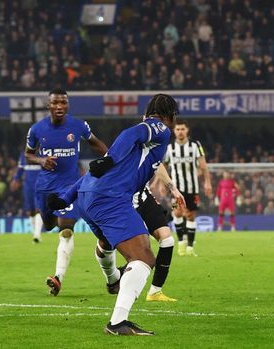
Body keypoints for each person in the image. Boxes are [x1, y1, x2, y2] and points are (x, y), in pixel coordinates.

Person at [53, 94, 184, 335]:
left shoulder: (130, 152)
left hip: (86, 196)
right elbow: (130, 134)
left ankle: (113, 280)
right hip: (110, 199)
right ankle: (117, 323)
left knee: (107, 244)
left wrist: (64, 198)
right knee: (143, 258)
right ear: (170, 116)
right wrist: (111, 157)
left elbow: (98, 169)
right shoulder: (160, 128)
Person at [25, 88, 108, 295]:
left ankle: (58, 277)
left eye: (63, 103)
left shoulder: (78, 125)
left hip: (69, 187)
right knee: (50, 224)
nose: (60, 107)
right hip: (45, 188)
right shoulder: (36, 130)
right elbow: (28, 155)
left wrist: (113, 160)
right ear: (48, 105)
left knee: (66, 228)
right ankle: (48, 222)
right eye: (55, 103)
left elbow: (96, 144)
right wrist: (40, 159)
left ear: (67, 105)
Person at [164, 120, 212, 256]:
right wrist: (160, 183)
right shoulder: (169, 148)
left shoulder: (195, 145)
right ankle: (181, 243)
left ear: (187, 130)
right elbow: (164, 166)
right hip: (176, 188)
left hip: (192, 188)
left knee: (191, 215)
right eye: (178, 129)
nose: (180, 131)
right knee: (177, 212)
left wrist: (207, 182)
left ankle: (190, 247)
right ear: (174, 131)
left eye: (182, 129)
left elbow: (203, 166)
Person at [10, 151, 43, 243]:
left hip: (40, 185)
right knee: (30, 211)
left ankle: (37, 234)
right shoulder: (23, 155)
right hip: (27, 186)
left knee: (38, 209)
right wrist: (15, 180)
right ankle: (35, 234)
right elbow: (20, 170)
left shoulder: (43, 152)